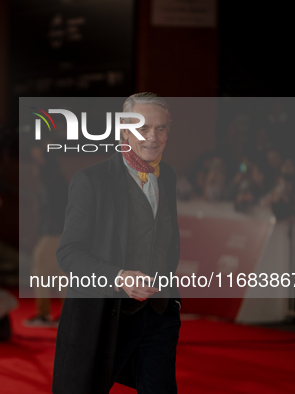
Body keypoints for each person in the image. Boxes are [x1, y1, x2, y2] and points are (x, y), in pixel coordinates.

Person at [52, 93, 182, 393]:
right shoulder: (91, 181)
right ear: (124, 130)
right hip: (104, 316)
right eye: (143, 128)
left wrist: (171, 301)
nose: (153, 137)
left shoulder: (169, 176)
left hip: (159, 315)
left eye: (161, 128)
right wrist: (118, 276)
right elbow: (68, 254)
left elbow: (166, 240)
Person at [24, 145, 69, 327]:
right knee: (61, 276)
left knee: (40, 272)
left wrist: (43, 231)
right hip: (62, 234)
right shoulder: (57, 181)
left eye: (38, 160)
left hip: (53, 234)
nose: (35, 165)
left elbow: (50, 212)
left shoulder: (52, 183)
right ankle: (67, 316)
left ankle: (44, 314)